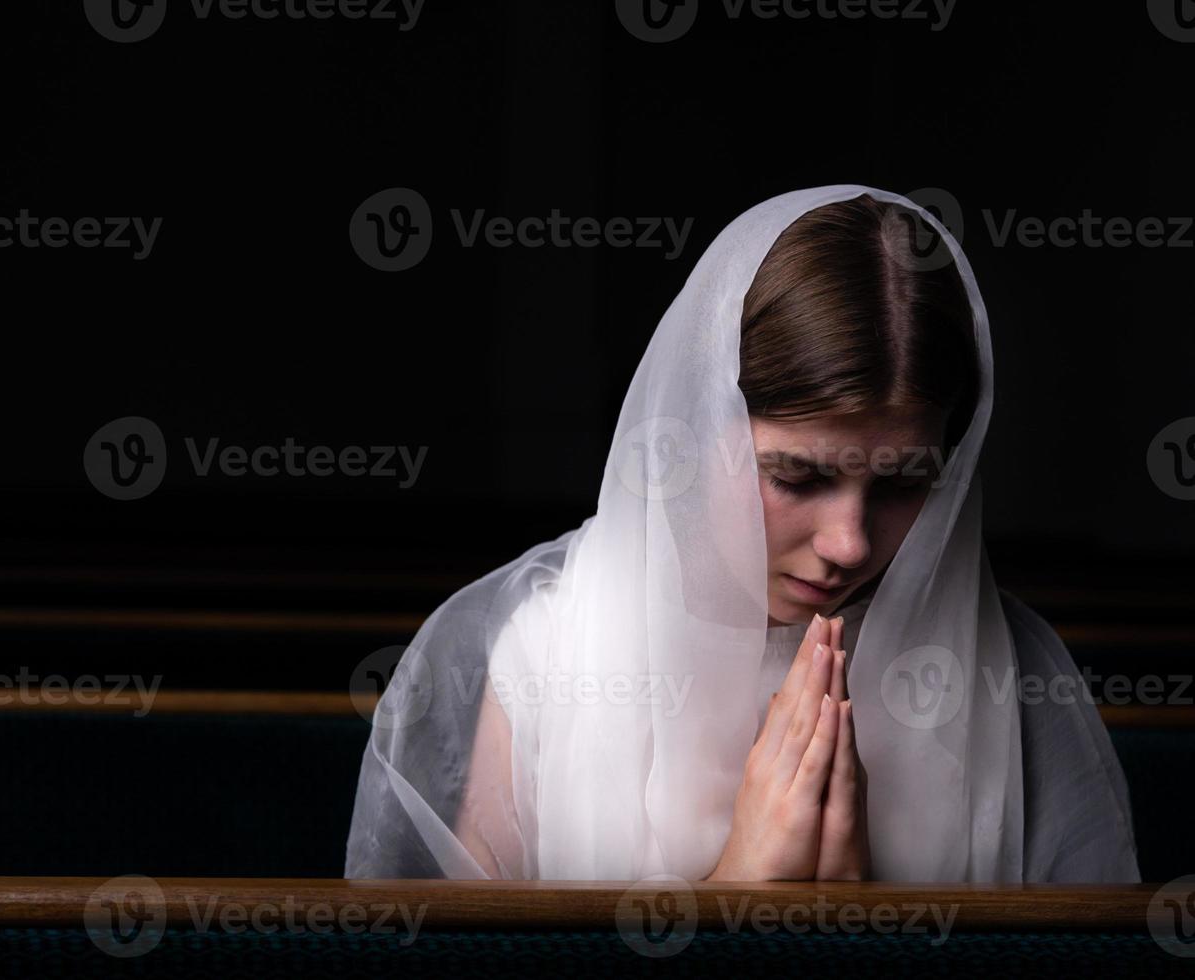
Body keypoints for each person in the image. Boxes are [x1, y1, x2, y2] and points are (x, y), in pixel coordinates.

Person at [344, 185, 1140, 883]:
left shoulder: (1012, 668)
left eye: (904, 483)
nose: (851, 544)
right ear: (696, 431)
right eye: (797, 477)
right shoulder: (536, 653)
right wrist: (739, 897)